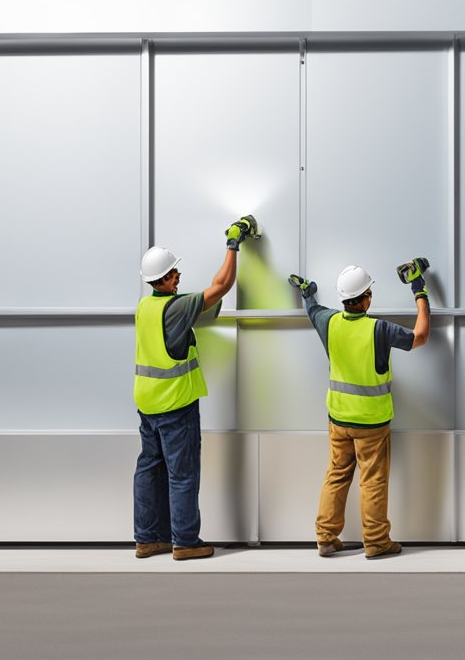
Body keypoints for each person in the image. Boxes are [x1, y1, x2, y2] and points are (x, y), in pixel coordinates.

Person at [133, 216, 256, 561]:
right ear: (166, 278)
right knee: (182, 473)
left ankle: (147, 539)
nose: (179, 277)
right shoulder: (177, 307)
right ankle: (185, 542)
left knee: (149, 469)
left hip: (147, 403)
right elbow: (221, 285)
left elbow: (196, 308)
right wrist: (233, 243)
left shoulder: (147, 307)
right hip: (175, 403)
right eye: (175, 273)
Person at [288, 260, 431, 559]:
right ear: (366, 297)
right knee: (373, 480)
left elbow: (311, 308)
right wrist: (420, 291)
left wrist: (307, 293)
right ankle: (376, 542)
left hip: (338, 418)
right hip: (372, 422)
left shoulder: (328, 321)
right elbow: (420, 336)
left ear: (343, 299)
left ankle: (325, 537)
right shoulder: (380, 329)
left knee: (337, 474)